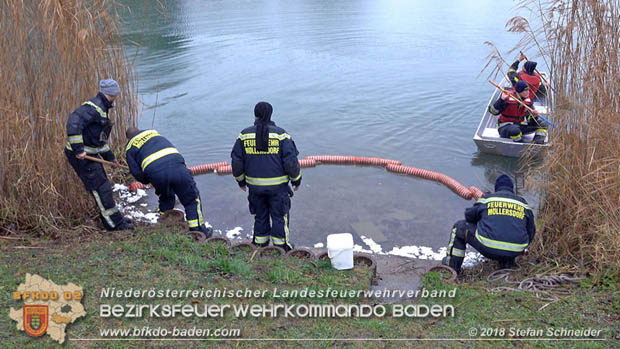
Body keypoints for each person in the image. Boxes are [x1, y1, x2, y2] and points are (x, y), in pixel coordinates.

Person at [231, 102, 302, 252]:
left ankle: (259, 245)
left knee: (260, 216)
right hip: (278, 188)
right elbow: (290, 162)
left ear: (255, 115)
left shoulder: (244, 135)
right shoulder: (281, 135)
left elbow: (237, 161)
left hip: (255, 188)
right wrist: (297, 180)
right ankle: (281, 248)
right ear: (271, 115)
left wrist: (241, 181)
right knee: (279, 217)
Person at [65, 79, 134, 231]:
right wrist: (78, 150)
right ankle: (114, 225)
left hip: (90, 155)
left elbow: (98, 141)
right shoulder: (93, 108)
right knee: (101, 189)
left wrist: (111, 158)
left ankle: (115, 219)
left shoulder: (102, 108)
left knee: (104, 188)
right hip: (82, 158)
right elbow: (73, 124)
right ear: (112, 93)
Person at [125, 127, 213, 238]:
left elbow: (136, 172)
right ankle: (198, 231)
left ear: (128, 138)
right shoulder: (155, 134)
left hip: (156, 174)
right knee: (191, 200)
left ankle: (166, 226)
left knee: (166, 196)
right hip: (178, 167)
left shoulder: (130, 148)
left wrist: (147, 180)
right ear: (140, 131)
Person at [442, 174, 536, 273]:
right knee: (509, 233)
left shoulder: (488, 199)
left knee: (459, 227)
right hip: (515, 251)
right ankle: (507, 262)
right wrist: (519, 247)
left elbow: (469, 216)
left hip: (488, 249)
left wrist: (484, 218)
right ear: (512, 189)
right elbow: (531, 230)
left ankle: (452, 267)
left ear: (496, 188)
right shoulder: (523, 204)